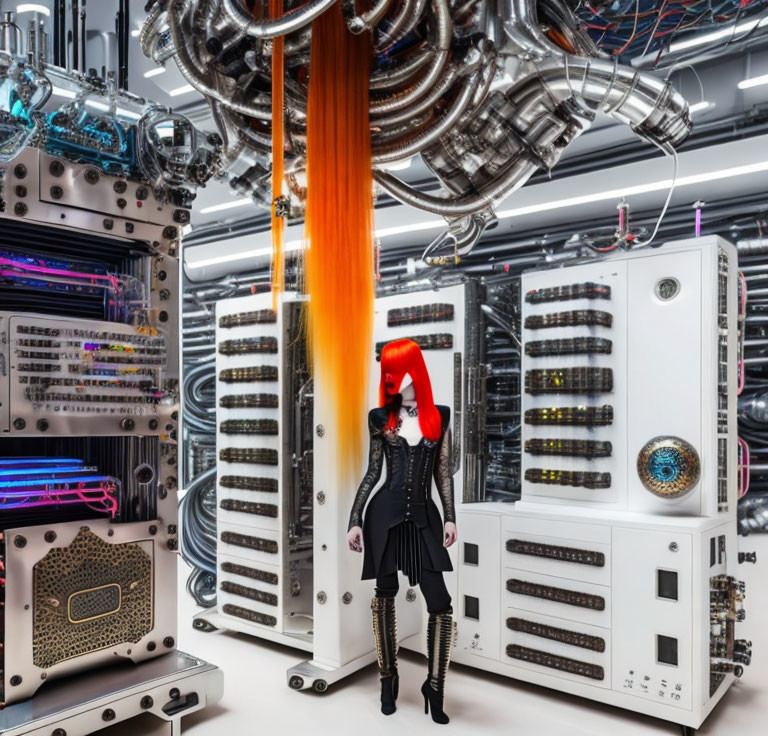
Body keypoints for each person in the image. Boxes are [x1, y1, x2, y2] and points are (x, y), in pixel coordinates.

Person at [346, 338, 457, 723]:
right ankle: (388, 679)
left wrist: (451, 517)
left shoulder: (439, 416)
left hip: (423, 518)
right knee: (385, 595)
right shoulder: (380, 418)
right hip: (383, 517)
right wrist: (354, 519)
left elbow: (443, 474)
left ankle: (435, 686)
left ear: (416, 369)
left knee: (440, 602)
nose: (393, 377)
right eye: (388, 371)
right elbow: (373, 473)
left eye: (399, 369)